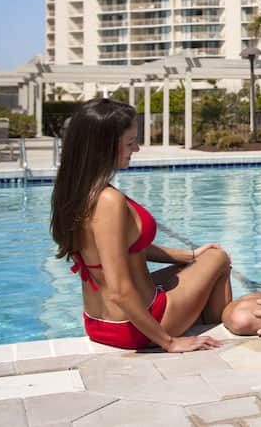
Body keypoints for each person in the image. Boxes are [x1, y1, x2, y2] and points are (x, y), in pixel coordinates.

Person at [50, 98, 233, 352]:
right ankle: (219, 328)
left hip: (99, 323)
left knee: (201, 259)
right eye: (129, 142)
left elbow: (124, 249)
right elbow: (119, 290)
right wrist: (170, 342)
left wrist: (190, 255)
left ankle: (199, 317)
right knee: (219, 258)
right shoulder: (109, 200)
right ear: (104, 147)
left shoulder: (76, 193)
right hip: (136, 325)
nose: (136, 148)